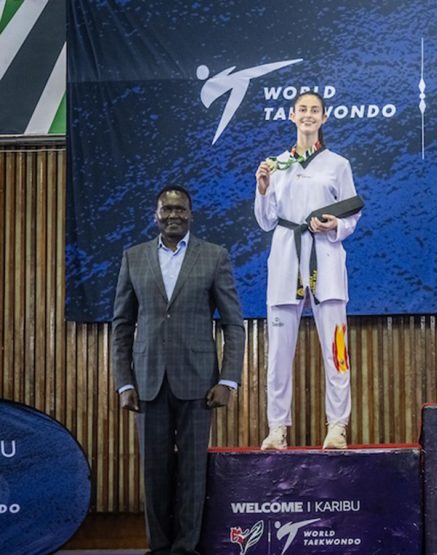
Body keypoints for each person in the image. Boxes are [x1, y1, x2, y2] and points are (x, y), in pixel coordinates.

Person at [112, 185, 245, 555]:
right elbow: (121, 326)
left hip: (200, 383)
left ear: (191, 214)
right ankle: (159, 547)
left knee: (192, 471)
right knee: (154, 472)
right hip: (147, 382)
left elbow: (233, 324)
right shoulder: (133, 258)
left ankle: (186, 548)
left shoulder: (214, 256)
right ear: (156, 215)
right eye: (166, 209)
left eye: (180, 209)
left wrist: (228, 379)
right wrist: (124, 383)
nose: (173, 215)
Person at [255, 90, 361, 449]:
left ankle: (337, 425)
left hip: (325, 259)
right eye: (302, 109)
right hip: (286, 258)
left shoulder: (338, 164)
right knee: (278, 352)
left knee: (337, 348)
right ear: (291, 115)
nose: (308, 115)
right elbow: (266, 221)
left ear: (324, 117)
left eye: (315, 110)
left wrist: (335, 225)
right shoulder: (276, 165)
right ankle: (277, 428)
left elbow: (352, 214)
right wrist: (262, 188)